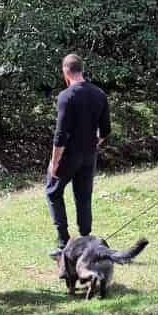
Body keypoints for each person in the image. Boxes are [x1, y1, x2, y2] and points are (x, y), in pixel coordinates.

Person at [45, 53, 110, 258]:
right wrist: (93, 143)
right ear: (81, 69)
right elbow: (106, 129)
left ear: (65, 71)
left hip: (69, 156)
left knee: (53, 192)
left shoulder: (66, 96)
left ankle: (64, 241)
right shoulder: (99, 94)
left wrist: (54, 163)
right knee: (83, 197)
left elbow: (61, 134)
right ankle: (86, 239)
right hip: (89, 155)